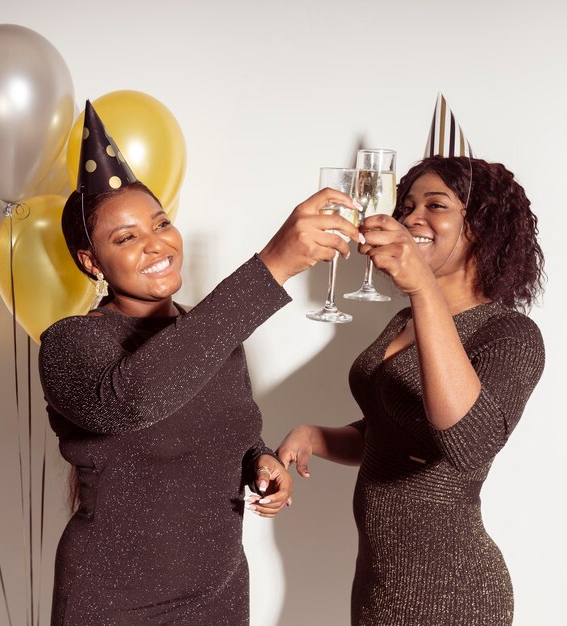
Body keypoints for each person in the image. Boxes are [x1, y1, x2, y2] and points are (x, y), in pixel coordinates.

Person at [38, 101, 360, 626]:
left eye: (161, 223)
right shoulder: (70, 344)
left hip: (219, 593)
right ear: (91, 262)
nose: (155, 244)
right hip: (115, 604)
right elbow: (135, 398)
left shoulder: (208, 331)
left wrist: (260, 460)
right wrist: (273, 264)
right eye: (126, 238)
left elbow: (229, 425)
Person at [278, 156, 545, 625]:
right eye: (406, 205)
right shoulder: (402, 321)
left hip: (449, 590)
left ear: (482, 225)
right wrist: (316, 436)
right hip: (380, 581)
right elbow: (394, 431)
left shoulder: (509, 335)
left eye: (435, 204)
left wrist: (422, 288)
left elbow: (468, 441)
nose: (411, 218)